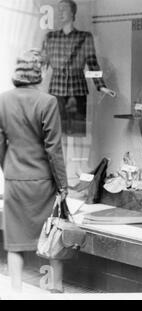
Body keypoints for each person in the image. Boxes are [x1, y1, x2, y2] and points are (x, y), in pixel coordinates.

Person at [0, 49, 68, 293]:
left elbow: (1, 144)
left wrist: (9, 170)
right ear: (40, 72)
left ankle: (16, 293)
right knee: (52, 239)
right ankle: (55, 290)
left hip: (15, 180)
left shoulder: (3, 100)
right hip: (43, 183)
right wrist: (63, 186)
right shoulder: (47, 102)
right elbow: (54, 150)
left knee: (15, 244)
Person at [41, 0, 116, 180]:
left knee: (76, 133)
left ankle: (76, 167)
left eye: (64, 10)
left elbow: (92, 62)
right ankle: (61, 168)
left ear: (73, 13)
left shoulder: (85, 37)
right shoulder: (51, 37)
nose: (60, 13)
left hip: (77, 88)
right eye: (58, 10)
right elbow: (43, 64)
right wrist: (34, 83)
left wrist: (101, 86)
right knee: (58, 132)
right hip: (57, 89)